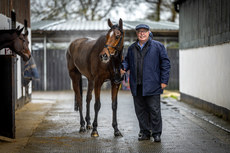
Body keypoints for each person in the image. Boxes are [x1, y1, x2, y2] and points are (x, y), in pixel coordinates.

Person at [120, 24, 170, 142]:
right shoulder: (132, 48)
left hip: (153, 84)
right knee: (140, 111)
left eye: (144, 31)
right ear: (137, 34)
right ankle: (145, 132)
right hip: (136, 85)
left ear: (148, 32)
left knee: (154, 110)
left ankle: (156, 133)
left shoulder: (158, 46)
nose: (141, 33)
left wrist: (164, 80)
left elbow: (165, 64)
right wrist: (124, 67)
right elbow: (127, 61)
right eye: (139, 32)